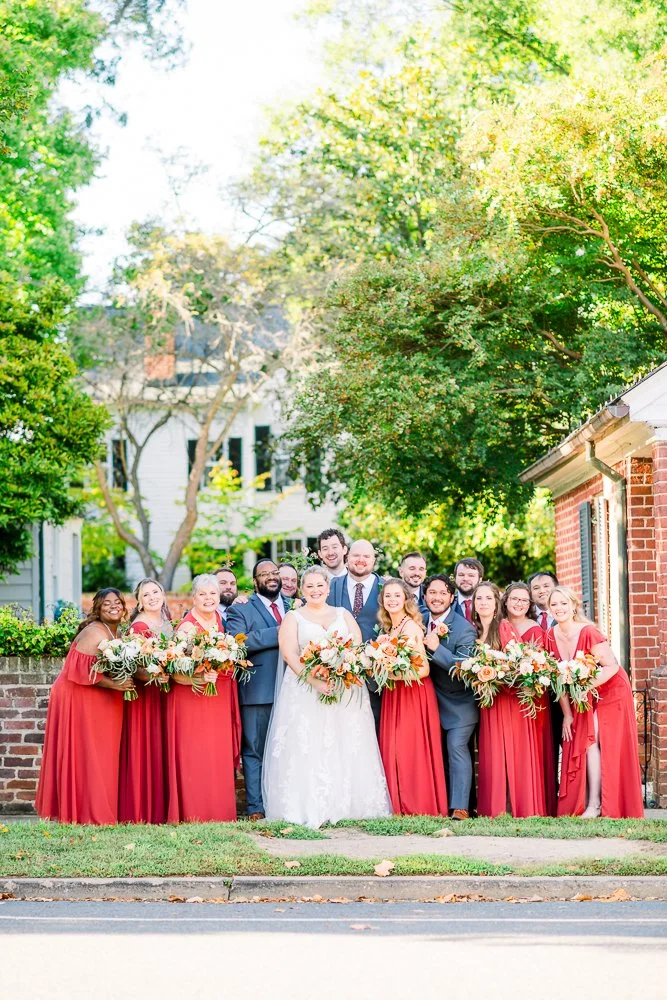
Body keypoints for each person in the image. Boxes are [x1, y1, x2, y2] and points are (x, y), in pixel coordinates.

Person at [262, 565, 391, 827]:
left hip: (345, 688)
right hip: (305, 690)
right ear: (302, 589)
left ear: (328, 588)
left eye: (320, 585)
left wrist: (343, 671)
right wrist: (314, 681)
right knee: (310, 742)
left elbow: (356, 647)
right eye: (309, 586)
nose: (315, 590)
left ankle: (348, 804)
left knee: (346, 741)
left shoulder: (343, 614)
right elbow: (290, 655)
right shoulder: (294, 617)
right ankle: (310, 805)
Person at [36, 589, 135, 824]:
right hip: (77, 696)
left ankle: (97, 809)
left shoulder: (116, 631)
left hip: (97, 697)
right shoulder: (94, 632)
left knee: (99, 754)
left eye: (117, 602)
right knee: (86, 753)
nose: (113, 606)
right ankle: (85, 813)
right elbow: (79, 671)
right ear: (98, 609)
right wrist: (115, 684)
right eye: (106, 603)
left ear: (123, 606)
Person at [545, 586, 643, 819]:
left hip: (610, 689)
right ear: (549, 609)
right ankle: (591, 802)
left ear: (573, 605)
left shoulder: (588, 632)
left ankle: (597, 805)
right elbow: (557, 680)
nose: (559, 608)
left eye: (563, 603)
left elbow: (612, 666)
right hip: (584, 694)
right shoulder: (550, 637)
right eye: (554, 604)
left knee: (594, 739)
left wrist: (583, 687)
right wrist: (567, 715)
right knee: (588, 743)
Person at [165, 574, 241, 822]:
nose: (209, 598)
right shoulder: (187, 627)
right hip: (193, 699)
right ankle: (195, 811)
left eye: (213, 594)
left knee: (216, 754)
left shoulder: (219, 619)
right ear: (194, 597)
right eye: (203, 594)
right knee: (196, 754)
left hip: (218, 696)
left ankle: (218, 811)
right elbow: (173, 670)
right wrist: (197, 679)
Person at [474, 581, 548, 818]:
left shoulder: (504, 627)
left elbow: (516, 664)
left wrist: (496, 676)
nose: (518, 603)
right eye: (479, 599)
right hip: (490, 699)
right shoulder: (478, 629)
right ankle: (496, 807)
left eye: (524, 600)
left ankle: (522, 806)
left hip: (511, 698)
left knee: (517, 752)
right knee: (494, 753)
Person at [378, 579, 448, 817]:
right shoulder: (390, 629)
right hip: (396, 693)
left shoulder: (410, 628)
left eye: (397, 595)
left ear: (406, 599)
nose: (392, 600)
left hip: (412, 694)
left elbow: (422, 670)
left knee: (410, 748)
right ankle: (399, 803)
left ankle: (417, 804)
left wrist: (387, 673)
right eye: (388, 596)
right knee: (395, 748)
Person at [226, 559, 285, 820]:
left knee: (288, 749)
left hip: (292, 692)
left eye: (274, 573)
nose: (271, 577)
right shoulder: (241, 610)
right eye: (264, 574)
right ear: (254, 581)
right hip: (258, 692)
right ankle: (255, 808)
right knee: (255, 751)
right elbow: (238, 643)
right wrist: (280, 632)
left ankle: (282, 803)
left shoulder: (295, 606)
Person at [422, 574, 478, 819]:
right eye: (432, 593)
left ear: (451, 597)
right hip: (427, 701)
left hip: (459, 703)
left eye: (442, 593)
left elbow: (463, 667)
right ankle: (435, 803)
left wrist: (436, 648)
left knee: (456, 747)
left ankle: (460, 807)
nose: (436, 597)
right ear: (425, 596)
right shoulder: (417, 620)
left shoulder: (464, 628)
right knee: (433, 752)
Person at [119, 578, 172, 825]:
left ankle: (163, 808)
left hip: (167, 693)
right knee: (146, 746)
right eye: (146, 594)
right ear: (139, 601)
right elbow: (133, 668)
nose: (152, 597)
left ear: (162, 594)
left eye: (155, 591)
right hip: (147, 696)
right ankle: (142, 809)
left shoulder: (168, 623)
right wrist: (154, 675)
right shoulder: (138, 628)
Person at [501, 582, 556, 816]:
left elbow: (543, 665)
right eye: (515, 599)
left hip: (531, 696)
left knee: (531, 749)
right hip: (504, 695)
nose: (519, 603)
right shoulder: (498, 626)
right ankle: (509, 803)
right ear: (506, 601)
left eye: (524, 600)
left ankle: (533, 802)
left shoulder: (534, 629)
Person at [327, 539, 384, 727]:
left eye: (366, 556)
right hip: (336, 675)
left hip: (376, 679)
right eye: (356, 555)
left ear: (374, 560)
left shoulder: (388, 589)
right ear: (347, 556)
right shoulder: (330, 586)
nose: (361, 560)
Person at [454, 558, 484, 623]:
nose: (465, 579)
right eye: (461, 575)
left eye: (471, 575)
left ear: (480, 579)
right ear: (455, 578)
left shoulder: (489, 605)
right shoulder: (447, 606)